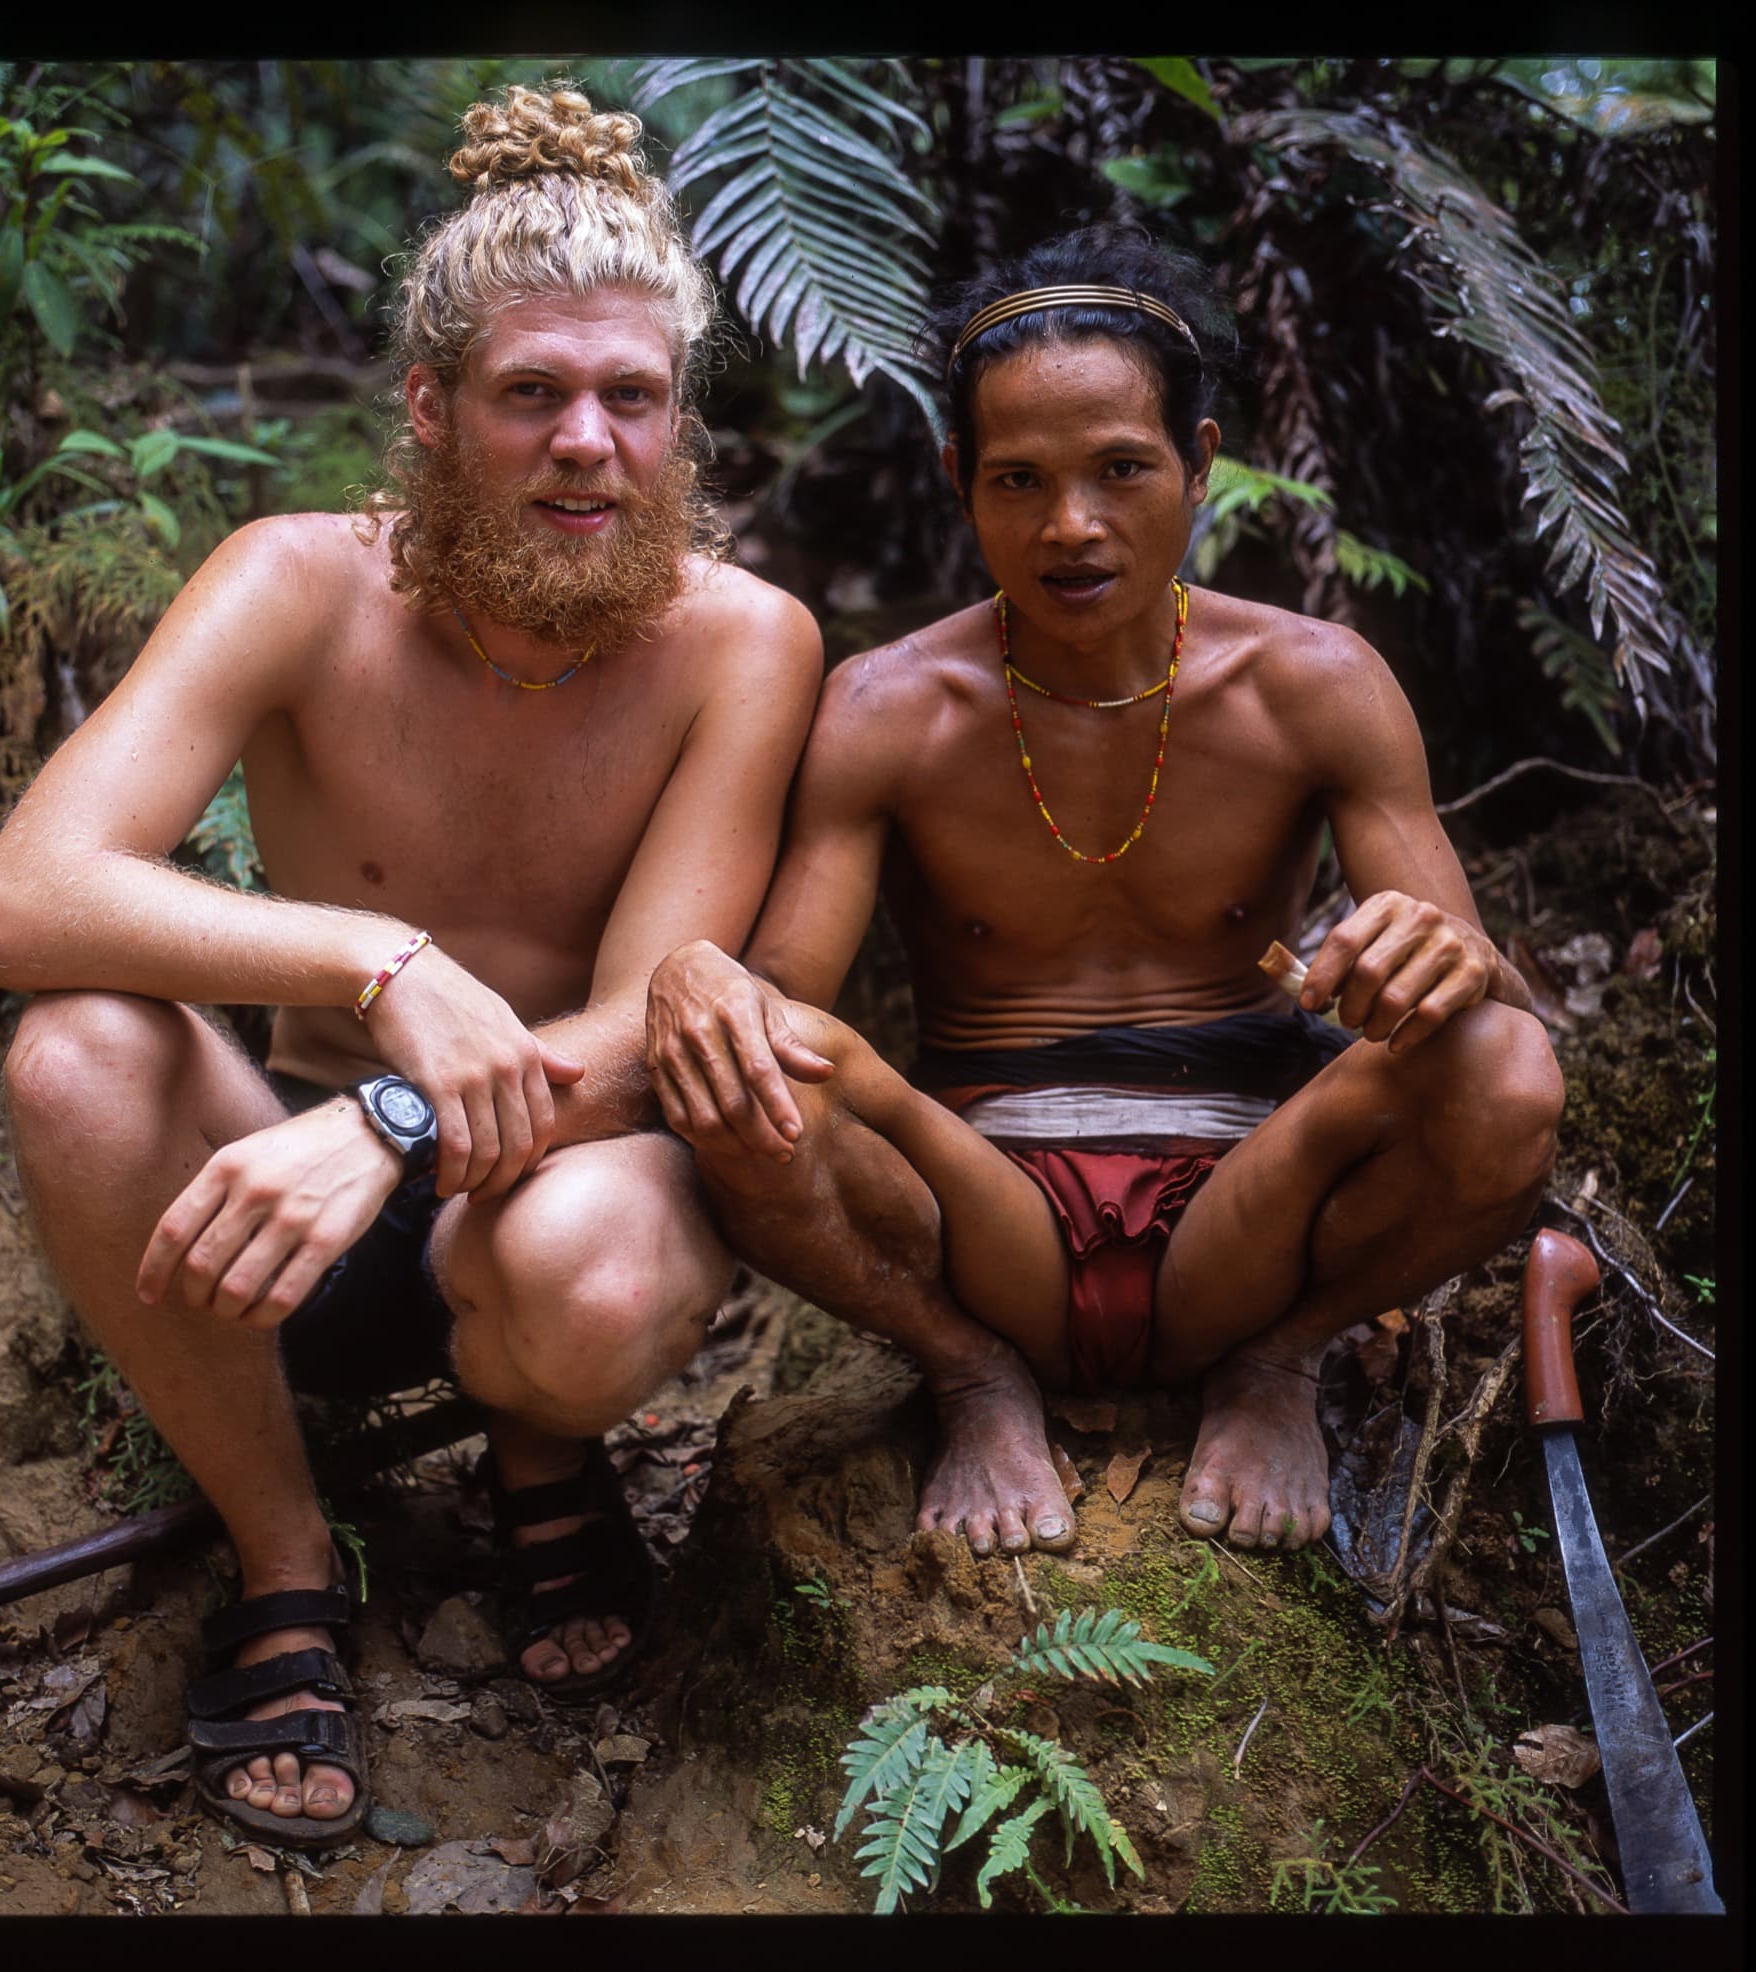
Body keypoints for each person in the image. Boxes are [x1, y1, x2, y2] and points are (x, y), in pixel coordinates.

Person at [0, 84, 821, 1846]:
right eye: (531, 393)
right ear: (432, 408)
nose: (588, 443)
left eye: (632, 396)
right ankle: (286, 1555)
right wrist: (378, 959)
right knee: (73, 1052)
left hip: (559, 1197)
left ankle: (542, 1446)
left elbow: (653, 1032)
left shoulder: (745, 643)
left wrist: (398, 1116)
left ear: (680, 417)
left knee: (585, 1264)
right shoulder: (294, 584)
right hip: (289, 1227)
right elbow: (22, 899)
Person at [645, 224, 1564, 1573]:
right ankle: (969, 1376)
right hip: (985, 1221)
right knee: (746, 1069)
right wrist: (697, 975)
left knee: (1506, 1065)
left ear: (1199, 463)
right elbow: (784, 994)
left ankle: (1278, 1365)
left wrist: (1450, 956)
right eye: (1019, 479)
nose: (1070, 526)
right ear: (960, 481)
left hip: (1253, 1212)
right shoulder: (889, 708)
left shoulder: (1316, 685)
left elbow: (1490, 993)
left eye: (1122, 469)